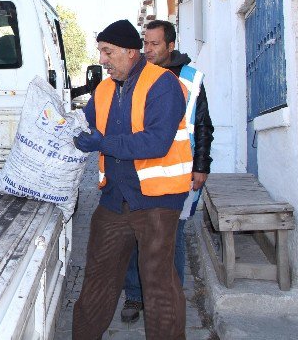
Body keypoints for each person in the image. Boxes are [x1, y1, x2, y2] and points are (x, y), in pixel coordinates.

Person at [72, 19, 191, 340]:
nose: (102, 60)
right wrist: (71, 130)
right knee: (98, 278)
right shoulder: (104, 89)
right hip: (114, 199)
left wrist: (102, 142)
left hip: (157, 200)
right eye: (100, 51)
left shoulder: (163, 84)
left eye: (107, 52)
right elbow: (88, 125)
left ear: (129, 51)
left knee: (158, 283)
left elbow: (156, 142)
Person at [120, 19, 214, 323]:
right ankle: (135, 295)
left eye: (154, 44)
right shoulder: (133, 76)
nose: (147, 50)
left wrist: (201, 165)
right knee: (136, 235)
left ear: (170, 46)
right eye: (144, 43)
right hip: (140, 172)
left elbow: (202, 125)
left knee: (172, 236)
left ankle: (169, 298)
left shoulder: (190, 78)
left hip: (179, 173)